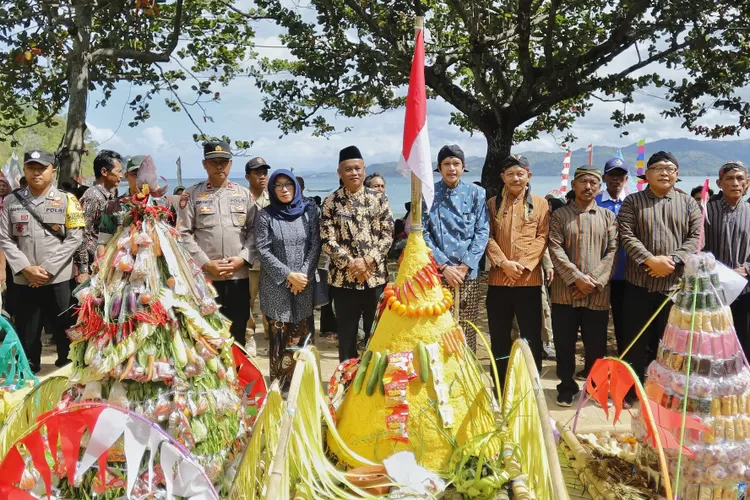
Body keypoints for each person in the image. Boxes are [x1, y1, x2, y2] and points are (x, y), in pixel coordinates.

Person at [619, 152, 702, 399]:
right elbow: (625, 233)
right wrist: (649, 260)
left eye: (670, 168)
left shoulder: (688, 203)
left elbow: (696, 237)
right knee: (633, 340)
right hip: (638, 283)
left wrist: (674, 259)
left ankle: (666, 393)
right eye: (658, 168)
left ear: (677, 175)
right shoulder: (632, 201)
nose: (665, 173)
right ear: (647, 174)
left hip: (674, 286)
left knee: (670, 343)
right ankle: (630, 392)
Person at [0, 150, 85, 372]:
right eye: (31, 168)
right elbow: (5, 238)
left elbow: (75, 237)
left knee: (65, 327)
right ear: (25, 171)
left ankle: (68, 367)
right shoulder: (11, 201)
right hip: (24, 279)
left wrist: (47, 269)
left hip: (58, 279)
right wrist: (26, 268)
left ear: (53, 171)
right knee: (28, 330)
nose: (36, 172)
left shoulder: (68, 200)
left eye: (42, 168)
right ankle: (29, 368)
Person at [549, 167, 618, 406]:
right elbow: (555, 249)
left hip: (596, 294)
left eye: (593, 183)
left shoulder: (608, 217)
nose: (588, 187)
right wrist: (576, 278)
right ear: (574, 185)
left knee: (596, 344)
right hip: (564, 292)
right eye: (584, 182)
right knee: (564, 342)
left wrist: (594, 281)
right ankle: (566, 386)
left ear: (599, 188)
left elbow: (612, 251)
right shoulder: (559, 216)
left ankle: (596, 387)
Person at [177, 142, 258, 344]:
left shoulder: (244, 195)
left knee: (237, 330)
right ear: (205, 164)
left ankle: (236, 375)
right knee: (206, 332)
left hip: (238, 275)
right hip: (206, 277)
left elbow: (255, 232)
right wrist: (206, 264)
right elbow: (183, 234)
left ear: (230, 164)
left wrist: (242, 259)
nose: (219, 166)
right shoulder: (192, 195)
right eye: (214, 162)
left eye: (223, 162)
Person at [321, 145, 393, 362]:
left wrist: (368, 261)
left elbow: (388, 234)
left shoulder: (378, 199)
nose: (354, 173)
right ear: (339, 173)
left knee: (378, 336)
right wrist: (352, 264)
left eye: (358, 168)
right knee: (347, 338)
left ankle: (373, 387)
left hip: (375, 280)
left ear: (364, 170)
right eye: (348, 169)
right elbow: (327, 240)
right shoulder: (331, 202)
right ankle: (346, 386)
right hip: (344, 282)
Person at [485, 155, 549, 384]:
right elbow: (487, 236)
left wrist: (522, 266)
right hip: (498, 281)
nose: (515, 178)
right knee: (499, 337)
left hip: (528, 281)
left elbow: (542, 237)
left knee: (531, 336)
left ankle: (532, 385)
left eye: (520, 174)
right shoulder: (493, 204)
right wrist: (504, 264)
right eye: (510, 174)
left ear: (528, 176)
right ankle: (500, 386)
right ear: (503, 177)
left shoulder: (541, 204)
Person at [256, 169, 321, 388]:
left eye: (288, 185)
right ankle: (280, 385)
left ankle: (303, 383)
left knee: (302, 332)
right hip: (276, 285)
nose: (284, 189)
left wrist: (302, 275)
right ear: (272, 189)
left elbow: (315, 245)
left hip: (304, 282)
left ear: (296, 186)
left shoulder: (309, 212)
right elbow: (263, 250)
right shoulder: (265, 215)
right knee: (280, 335)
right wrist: (288, 276)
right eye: (278, 185)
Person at [423, 144, 489, 351]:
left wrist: (466, 265)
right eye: (446, 164)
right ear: (439, 167)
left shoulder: (477, 193)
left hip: (467, 273)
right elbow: (422, 233)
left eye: (456, 164)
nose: (451, 168)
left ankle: (467, 375)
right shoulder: (428, 193)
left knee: (467, 328)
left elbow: (482, 230)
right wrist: (443, 265)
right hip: (438, 273)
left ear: (463, 167)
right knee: (437, 326)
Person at [703, 162, 750, 354]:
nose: (735, 183)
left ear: (747, 183)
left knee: (744, 341)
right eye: (729, 178)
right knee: (713, 343)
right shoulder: (706, 212)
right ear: (719, 183)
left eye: (740, 179)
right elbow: (697, 248)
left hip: (746, 288)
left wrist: (746, 268)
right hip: (713, 291)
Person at [595, 157, 629, 352]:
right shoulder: (595, 201)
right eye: (612, 175)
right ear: (604, 177)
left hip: (626, 274)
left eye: (621, 176)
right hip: (600, 273)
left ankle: (625, 361)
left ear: (626, 179)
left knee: (624, 322)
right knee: (597, 322)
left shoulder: (633, 202)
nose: (616, 179)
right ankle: (597, 363)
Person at [74, 150, 123, 282]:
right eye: (118, 171)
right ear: (104, 172)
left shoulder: (109, 196)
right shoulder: (92, 196)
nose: (122, 176)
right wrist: (83, 269)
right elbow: (82, 233)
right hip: (91, 263)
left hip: (103, 260)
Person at [245, 156, 271, 344]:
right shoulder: (242, 198)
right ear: (248, 176)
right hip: (251, 260)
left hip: (272, 259)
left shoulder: (275, 198)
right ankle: (249, 334)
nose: (262, 176)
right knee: (249, 299)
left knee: (271, 299)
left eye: (264, 173)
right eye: (257, 173)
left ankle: (271, 334)